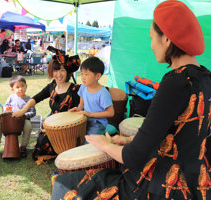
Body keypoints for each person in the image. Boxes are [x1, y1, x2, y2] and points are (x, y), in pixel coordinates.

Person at [52, 1, 211, 199]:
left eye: (152, 38)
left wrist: (105, 145)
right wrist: (129, 139)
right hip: (198, 185)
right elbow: (180, 134)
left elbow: (133, 158)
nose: (152, 45)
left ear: (167, 40)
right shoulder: (205, 78)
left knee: (65, 185)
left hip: (165, 187)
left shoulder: (175, 81)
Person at [12, 46, 81, 164]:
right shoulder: (52, 86)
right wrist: (23, 110)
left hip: (68, 127)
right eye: (55, 70)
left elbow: (79, 113)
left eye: (62, 70)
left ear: (68, 71)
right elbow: (36, 98)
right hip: (52, 124)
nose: (58, 74)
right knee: (40, 146)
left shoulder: (75, 89)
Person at [0, 75, 36, 158]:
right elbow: (6, 105)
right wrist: (7, 108)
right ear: (13, 89)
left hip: (24, 120)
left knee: (28, 127)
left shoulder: (29, 99)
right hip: (10, 120)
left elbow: (33, 112)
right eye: (17, 87)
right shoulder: (11, 97)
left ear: (26, 86)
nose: (20, 89)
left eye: (22, 86)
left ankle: (23, 147)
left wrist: (23, 114)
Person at [69, 57, 114, 143]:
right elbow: (81, 105)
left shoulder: (103, 93)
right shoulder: (83, 87)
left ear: (98, 76)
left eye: (86, 74)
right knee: (74, 140)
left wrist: (90, 114)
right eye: (82, 73)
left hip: (98, 123)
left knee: (89, 145)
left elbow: (111, 113)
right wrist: (78, 109)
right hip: (86, 119)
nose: (83, 77)